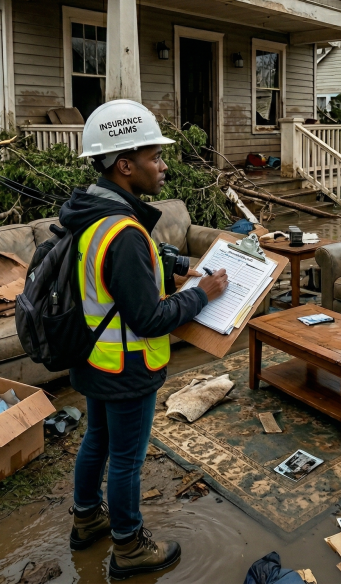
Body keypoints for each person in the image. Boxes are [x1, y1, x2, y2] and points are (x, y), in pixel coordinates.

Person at [61, 100, 229, 579]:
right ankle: (130, 547)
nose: (163, 165)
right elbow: (151, 317)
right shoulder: (123, 230)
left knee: (96, 440)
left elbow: (134, 259)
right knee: (127, 460)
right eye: (155, 157)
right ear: (125, 165)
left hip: (93, 359)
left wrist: (179, 266)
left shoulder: (91, 210)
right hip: (126, 367)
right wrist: (202, 293)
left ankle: (88, 517)